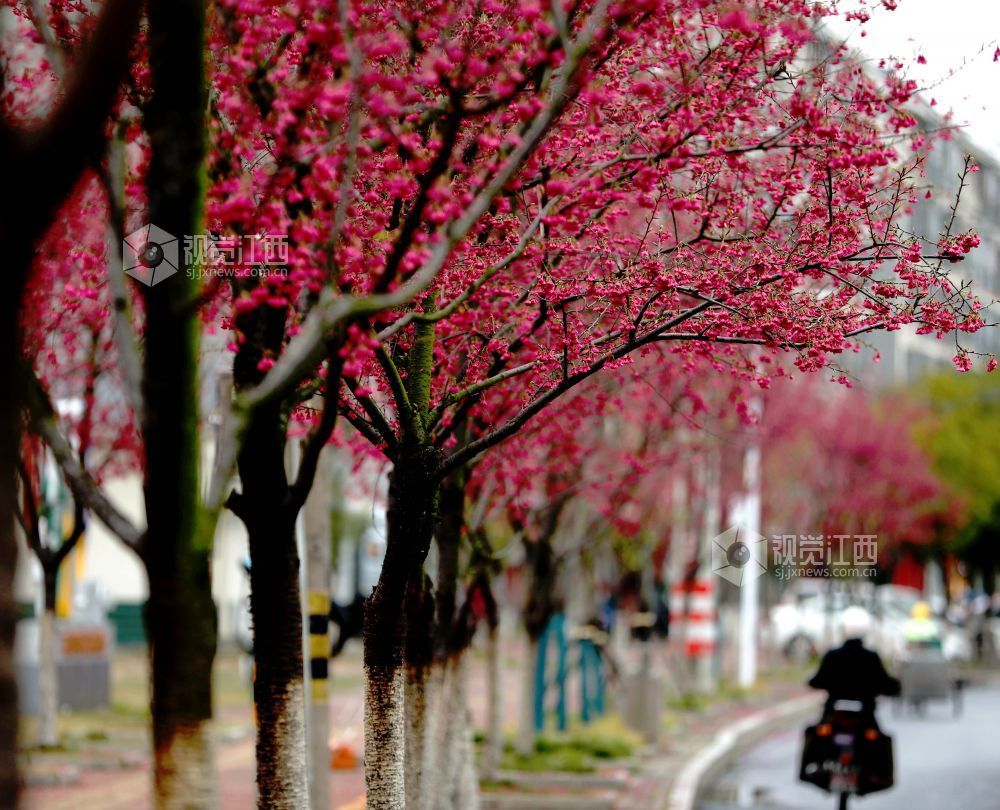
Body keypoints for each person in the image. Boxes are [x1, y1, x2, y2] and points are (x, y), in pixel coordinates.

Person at [808, 606, 900, 722]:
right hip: (864, 713)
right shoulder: (871, 657)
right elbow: (884, 683)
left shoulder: (832, 655)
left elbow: (818, 680)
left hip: (835, 711)